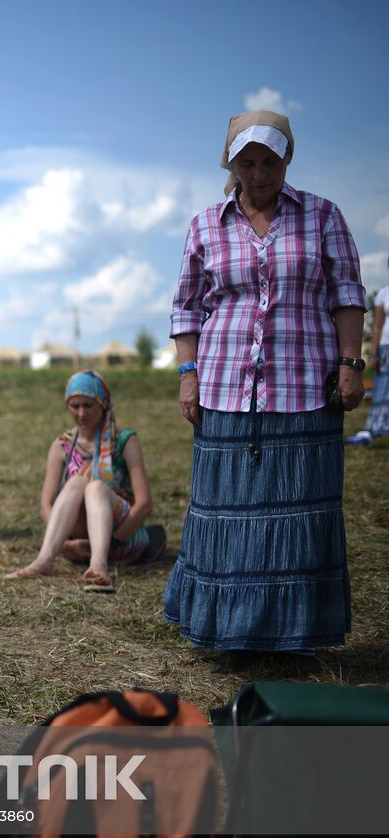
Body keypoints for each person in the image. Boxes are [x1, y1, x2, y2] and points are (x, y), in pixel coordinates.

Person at [164, 110, 366, 663]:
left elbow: (348, 294)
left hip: (305, 386)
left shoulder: (322, 215)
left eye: (269, 162)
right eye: (246, 163)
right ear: (231, 163)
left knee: (300, 509)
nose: (258, 174)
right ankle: (231, 632)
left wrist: (351, 362)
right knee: (227, 509)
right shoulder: (207, 224)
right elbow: (185, 308)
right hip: (225, 387)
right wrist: (188, 376)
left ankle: (296, 638)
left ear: (287, 160)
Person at [7, 371, 157, 591]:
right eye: (74, 406)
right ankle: (45, 559)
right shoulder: (61, 445)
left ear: (103, 404)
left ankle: (99, 563)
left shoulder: (125, 441)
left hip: (121, 540)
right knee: (77, 482)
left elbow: (144, 504)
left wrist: (115, 539)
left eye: (88, 405)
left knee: (95, 487)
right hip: (77, 543)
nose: (81, 413)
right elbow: (45, 505)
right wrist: (66, 545)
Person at [346, 260, 388, 446]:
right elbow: (377, 326)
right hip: (386, 348)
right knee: (382, 390)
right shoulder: (383, 294)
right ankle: (373, 430)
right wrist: (374, 354)